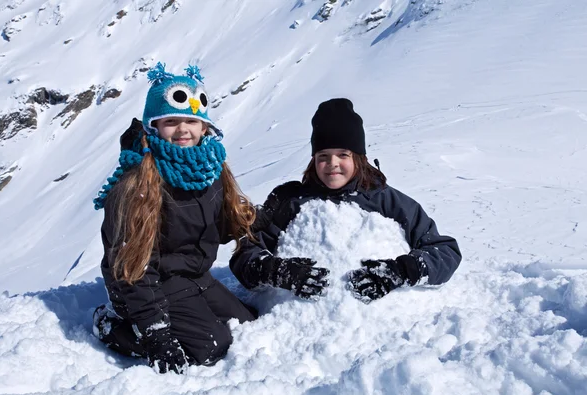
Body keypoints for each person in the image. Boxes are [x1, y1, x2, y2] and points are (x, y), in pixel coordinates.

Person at [92, 63, 257, 373]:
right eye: (172, 121)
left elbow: (232, 223)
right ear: (153, 126)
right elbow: (134, 268)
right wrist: (156, 334)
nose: (184, 130)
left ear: (205, 126)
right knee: (209, 348)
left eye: (192, 121)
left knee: (248, 325)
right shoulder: (138, 183)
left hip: (193, 277)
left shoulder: (210, 168)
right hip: (143, 284)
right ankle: (114, 328)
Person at [230, 98, 461, 303]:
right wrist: (276, 271)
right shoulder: (292, 202)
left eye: (343, 154)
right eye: (323, 156)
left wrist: (400, 271)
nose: (333, 163)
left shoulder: (386, 200)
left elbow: (444, 251)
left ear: (359, 158)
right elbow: (245, 253)